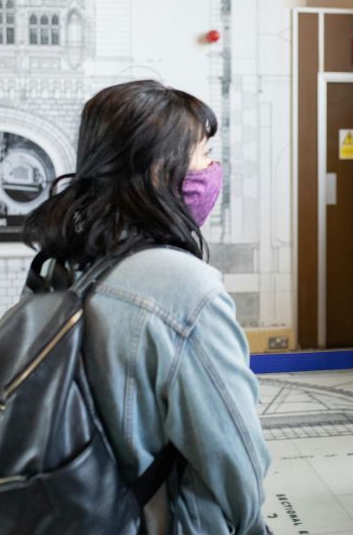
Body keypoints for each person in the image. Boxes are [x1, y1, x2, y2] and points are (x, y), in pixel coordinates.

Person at [22, 79, 270, 534]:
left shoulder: (59, 264)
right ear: (160, 171)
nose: (214, 169)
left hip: (70, 512)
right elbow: (236, 463)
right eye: (204, 157)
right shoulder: (183, 287)